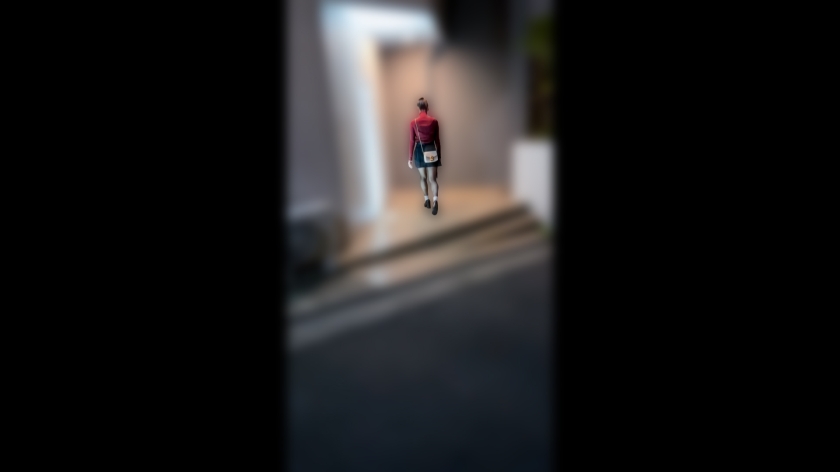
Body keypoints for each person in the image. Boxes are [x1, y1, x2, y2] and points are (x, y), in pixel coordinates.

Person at [408, 97, 442, 215]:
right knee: (433, 179)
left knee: (423, 177)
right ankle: (435, 201)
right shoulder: (434, 121)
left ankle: (427, 200)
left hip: (419, 150)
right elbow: (437, 141)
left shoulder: (413, 122)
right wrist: (439, 156)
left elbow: (412, 141)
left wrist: (410, 158)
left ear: (418, 108)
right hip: (431, 149)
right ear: (427, 107)